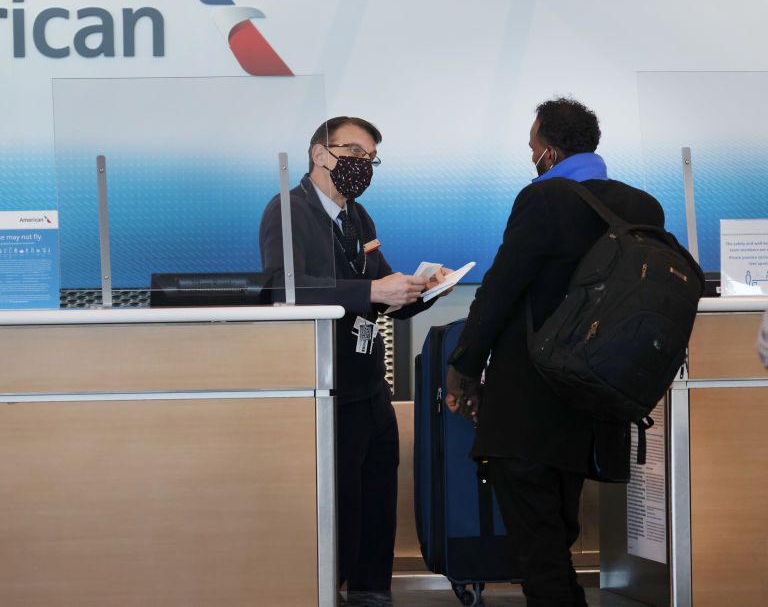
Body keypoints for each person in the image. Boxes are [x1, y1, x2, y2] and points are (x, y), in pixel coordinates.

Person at [444, 98, 666, 607]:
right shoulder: (642, 205)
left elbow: (500, 290)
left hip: (531, 400)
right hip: (598, 399)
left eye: (531, 147)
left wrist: (463, 368)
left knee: (537, 546)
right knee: (555, 536)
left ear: (548, 150)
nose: (531, 157)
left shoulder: (543, 201)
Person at [259, 116, 446, 602]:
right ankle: (328, 589)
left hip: (369, 384)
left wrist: (421, 291)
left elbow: (380, 292)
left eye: (370, 158)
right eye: (355, 153)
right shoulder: (288, 209)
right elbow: (283, 289)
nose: (363, 166)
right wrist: (372, 289)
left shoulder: (358, 217)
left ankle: (370, 591)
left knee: (378, 495)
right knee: (340, 502)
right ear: (320, 154)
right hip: (326, 385)